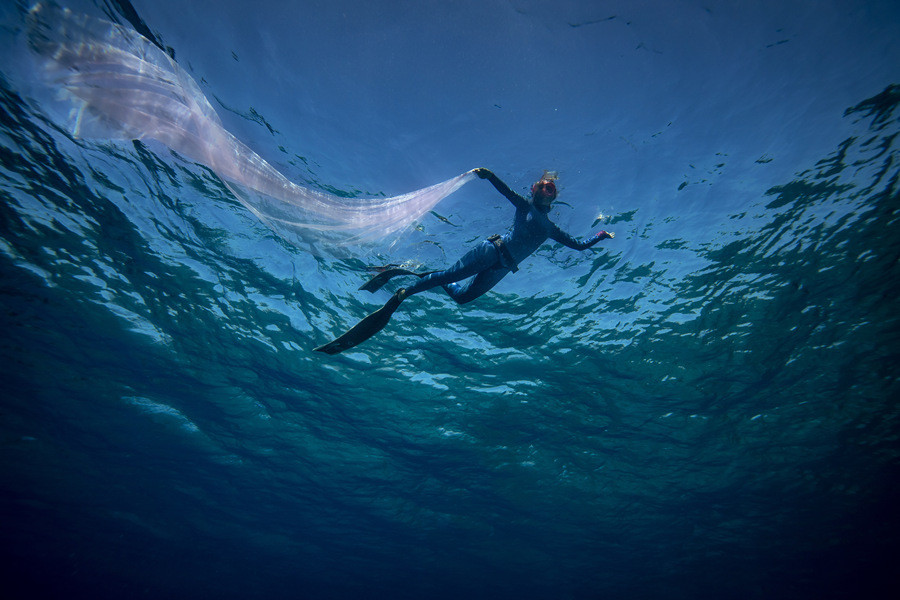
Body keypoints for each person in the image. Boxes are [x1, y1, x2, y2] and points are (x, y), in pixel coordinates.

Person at [314, 169, 614, 354]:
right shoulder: (525, 205)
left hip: (502, 270)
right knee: (445, 279)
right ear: (533, 191)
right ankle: (402, 294)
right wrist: (489, 175)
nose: (546, 190)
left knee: (462, 298)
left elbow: (578, 246)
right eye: (542, 186)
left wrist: (600, 235)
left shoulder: (552, 229)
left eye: (551, 189)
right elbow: (506, 190)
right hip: (491, 251)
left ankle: (412, 273)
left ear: (554, 196)